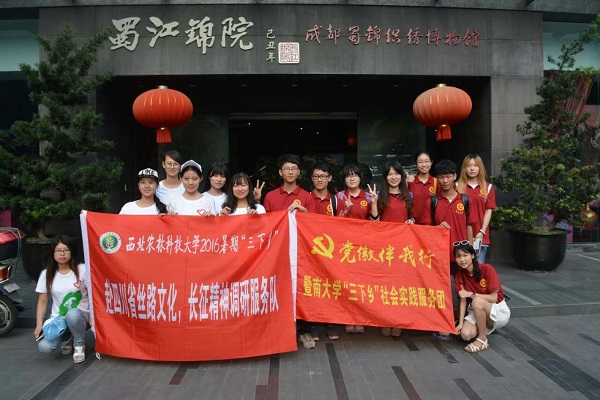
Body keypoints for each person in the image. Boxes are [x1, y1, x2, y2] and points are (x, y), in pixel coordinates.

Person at [263, 154, 315, 349]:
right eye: (287, 169)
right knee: (278, 289)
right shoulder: (271, 197)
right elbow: (265, 225)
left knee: (301, 290)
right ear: (280, 172)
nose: (290, 172)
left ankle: (304, 330)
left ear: (299, 172)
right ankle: (279, 330)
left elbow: (314, 225)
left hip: (301, 253)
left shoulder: (307, 197)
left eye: (293, 168)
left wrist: (304, 213)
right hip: (278, 252)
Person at [375, 160, 416, 337]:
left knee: (401, 286)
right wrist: (374, 203)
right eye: (390, 174)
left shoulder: (409, 196)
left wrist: (411, 221)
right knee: (385, 285)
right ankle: (385, 320)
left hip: (403, 248)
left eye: (396, 173)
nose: (393, 177)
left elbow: (413, 216)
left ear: (402, 176)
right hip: (384, 248)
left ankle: (398, 320)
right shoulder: (379, 195)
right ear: (385, 177)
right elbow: (374, 220)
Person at [336, 164, 378, 334]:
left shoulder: (368, 196)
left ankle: (360, 318)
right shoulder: (339, 196)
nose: (352, 178)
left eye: (355, 175)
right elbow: (334, 224)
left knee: (361, 284)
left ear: (360, 178)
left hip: (363, 247)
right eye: (348, 176)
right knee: (346, 284)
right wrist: (346, 209)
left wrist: (374, 203)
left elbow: (375, 222)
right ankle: (348, 318)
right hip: (345, 248)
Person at [34, 235, 90, 363]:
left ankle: (79, 345)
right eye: (58, 250)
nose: (62, 253)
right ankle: (68, 337)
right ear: (53, 253)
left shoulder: (82, 269)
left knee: (73, 314)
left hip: (81, 315)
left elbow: (93, 294)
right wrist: (39, 325)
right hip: (59, 319)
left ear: (72, 251)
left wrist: (93, 317)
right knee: (45, 347)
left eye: (66, 250)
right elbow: (42, 301)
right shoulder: (47, 273)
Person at [454, 242, 510, 352]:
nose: (462, 260)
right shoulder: (460, 275)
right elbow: (463, 300)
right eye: (458, 256)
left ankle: (482, 339)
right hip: (477, 309)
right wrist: (460, 323)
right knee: (465, 335)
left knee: (476, 301)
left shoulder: (487, 269)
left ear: (472, 255)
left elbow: (494, 298)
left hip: (498, 309)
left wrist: (471, 294)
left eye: (465, 255)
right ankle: (482, 326)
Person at [307, 161, 340, 341]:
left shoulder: (335, 200)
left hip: (330, 252)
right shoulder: (306, 198)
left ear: (330, 178)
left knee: (330, 287)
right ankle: (313, 324)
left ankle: (330, 323)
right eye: (316, 176)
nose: (319, 180)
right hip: (309, 251)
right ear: (312, 179)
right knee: (312, 287)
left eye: (323, 176)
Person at [456, 154, 496, 264]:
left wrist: (482, 231)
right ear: (464, 168)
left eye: (475, 165)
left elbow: (488, 211)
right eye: (469, 166)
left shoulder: (488, 187)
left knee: (479, 265)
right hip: (462, 234)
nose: (472, 168)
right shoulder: (457, 186)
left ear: (480, 167)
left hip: (480, 235)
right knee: (463, 265)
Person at [407, 151, 439, 224]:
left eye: (427, 161)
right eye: (420, 162)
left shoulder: (436, 182)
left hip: (431, 225)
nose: (424, 165)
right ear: (415, 164)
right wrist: (404, 182)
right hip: (412, 224)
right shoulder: (410, 182)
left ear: (431, 163)